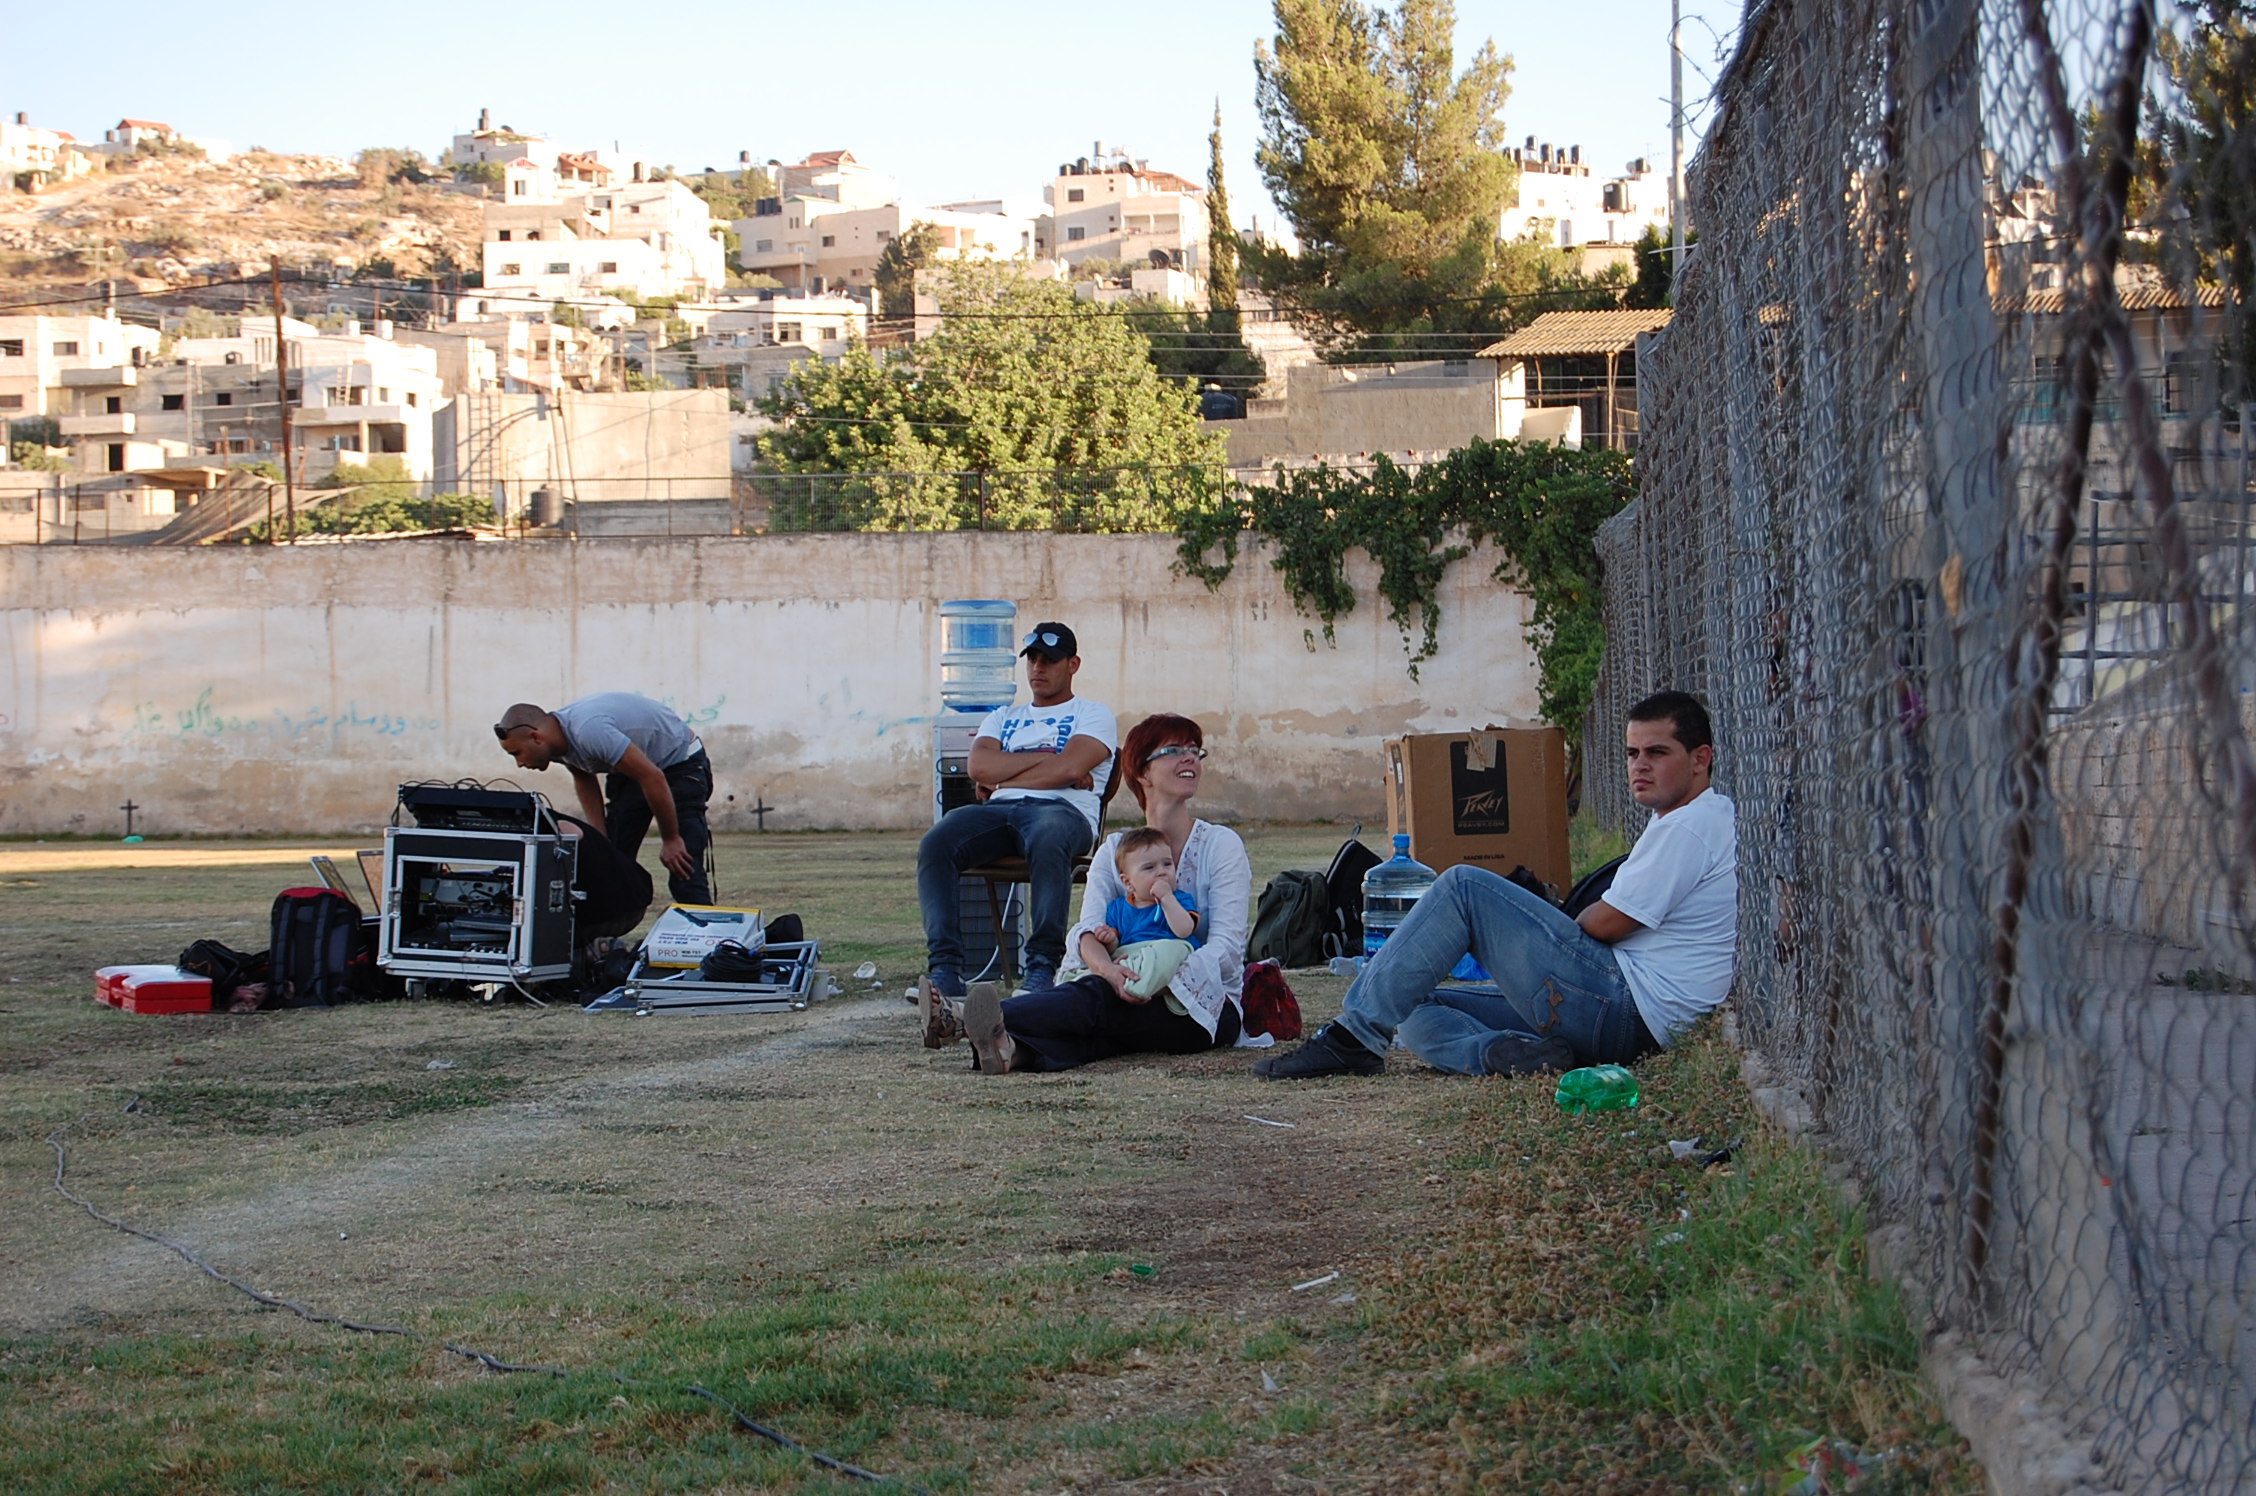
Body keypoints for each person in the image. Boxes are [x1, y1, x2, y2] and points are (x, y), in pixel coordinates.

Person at [1254, 691, 1737, 1080]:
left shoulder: (1691, 826)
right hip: (1619, 1013)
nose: (1639, 765)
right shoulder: (1686, 819)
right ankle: (1505, 1053)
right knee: (1414, 1005)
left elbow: (1606, 924)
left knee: (1463, 887)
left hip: (1628, 1012)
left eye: (1657, 753)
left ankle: (1351, 1037)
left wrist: (1548, 930)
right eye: (1632, 753)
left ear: (1701, 759)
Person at [921, 712, 1255, 1074]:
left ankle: (959, 1018)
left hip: (1204, 1007)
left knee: (1097, 1001)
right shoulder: (1113, 852)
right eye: (1174, 750)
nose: (1189, 758)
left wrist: (1155, 977)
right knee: (1104, 1013)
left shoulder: (1220, 845)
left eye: (1194, 750)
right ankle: (1011, 1051)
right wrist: (1111, 972)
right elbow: (1087, 932)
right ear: (1142, 773)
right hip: (1124, 991)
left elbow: (1227, 949)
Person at [916, 623, 1117, 998]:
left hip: (1062, 812)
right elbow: (979, 767)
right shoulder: (1002, 717)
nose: (1038, 668)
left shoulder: (1093, 714)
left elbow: (1069, 768)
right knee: (937, 841)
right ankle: (945, 971)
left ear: (1073, 665)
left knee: (1049, 833)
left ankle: (1042, 967)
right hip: (1000, 811)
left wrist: (1005, 777)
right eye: (1033, 659)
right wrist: (1049, 761)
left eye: (1049, 660)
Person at [494, 693, 714, 906]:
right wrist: (600, 837)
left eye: (517, 753)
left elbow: (652, 777)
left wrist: (671, 838)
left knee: (683, 864)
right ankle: (611, 927)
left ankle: (703, 926)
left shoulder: (589, 732)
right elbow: (583, 777)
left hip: (679, 763)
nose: (519, 763)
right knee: (611, 860)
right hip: (631, 770)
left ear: (536, 737)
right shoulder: (556, 739)